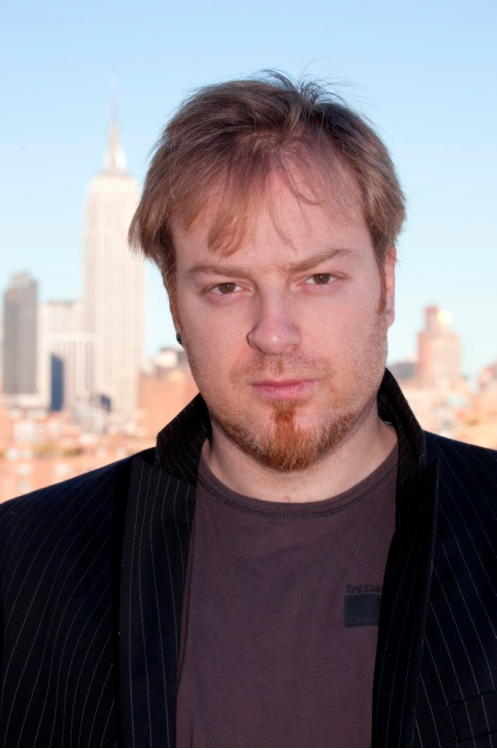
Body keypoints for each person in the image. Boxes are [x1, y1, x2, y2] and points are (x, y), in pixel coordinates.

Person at [1, 72, 496, 749]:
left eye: (317, 278)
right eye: (227, 287)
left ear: (386, 284)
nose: (273, 334)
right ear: (175, 306)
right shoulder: (28, 563)